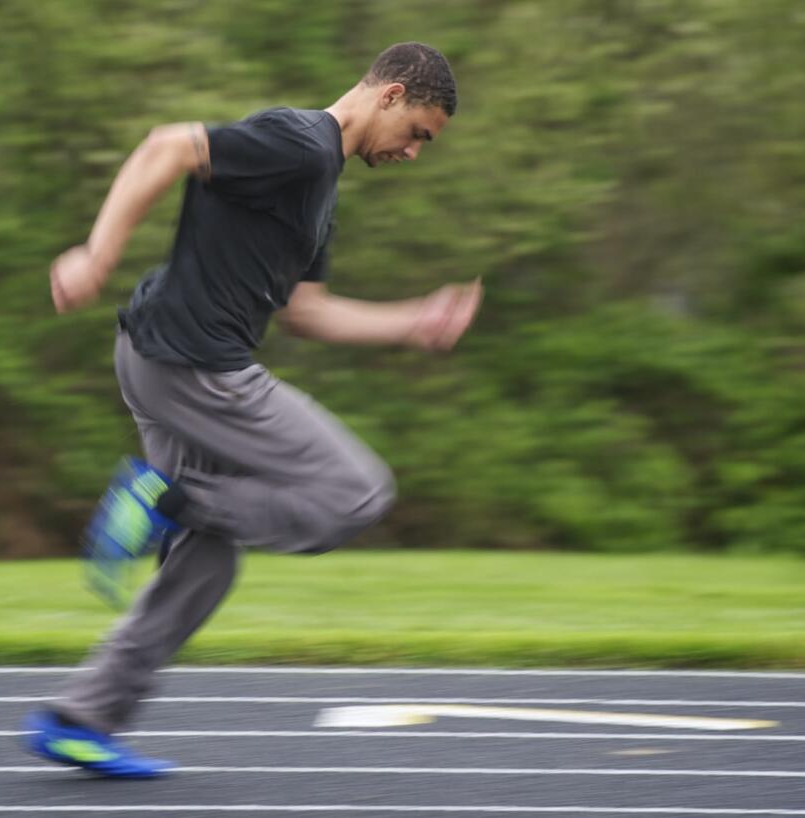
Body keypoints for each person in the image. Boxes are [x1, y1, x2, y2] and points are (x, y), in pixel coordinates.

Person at [24, 41, 482, 778]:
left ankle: (81, 717)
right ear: (391, 96)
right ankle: (160, 496)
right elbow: (168, 146)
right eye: (419, 134)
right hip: (195, 367)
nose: (413, 153)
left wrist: (411, 321)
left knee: (206, 563)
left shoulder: (319, 185)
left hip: (159, 357)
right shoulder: (299, 145)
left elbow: (309, 314)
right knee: (356, 490)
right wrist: (96, 253)